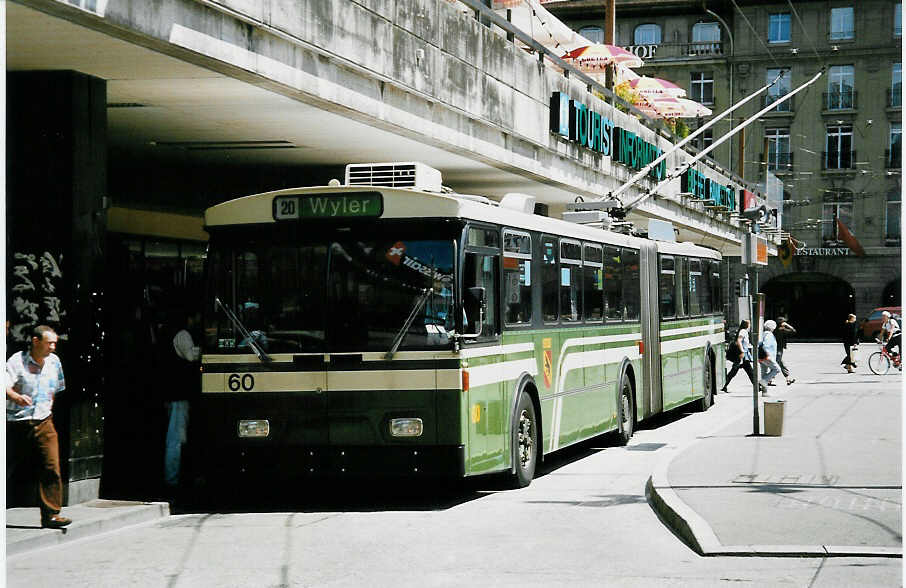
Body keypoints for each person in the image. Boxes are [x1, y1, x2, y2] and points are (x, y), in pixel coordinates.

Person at [6, 325, 71, 528]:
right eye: (49, 343)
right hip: (16, 422)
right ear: (35, 341)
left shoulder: (54, 362)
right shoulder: (17, 360)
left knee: (51, 466)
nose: (52, 347)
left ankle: (51, 514)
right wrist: (15, 396)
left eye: (55, 343)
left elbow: (58, 388)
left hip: (44, 420)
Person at [164, 311, 200, 494]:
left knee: (177, 438)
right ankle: (172, 479)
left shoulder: (174, 334)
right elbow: (191, 356)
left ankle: (175, 477)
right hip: (179, 395)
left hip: (176, 395)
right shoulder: (183, 335)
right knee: (176, 439)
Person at [721, 319, 755, 391]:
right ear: (746, 325)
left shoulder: (744, 331)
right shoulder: (743, 331)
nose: (750, 325)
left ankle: (757, 386)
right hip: (741, 355)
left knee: (747, 371)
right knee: (746, 371)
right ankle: (757, 386)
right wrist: (742, 352)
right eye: (749, 324)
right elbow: (739, 341)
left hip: (743, 355)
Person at [770, 317, 796, 386]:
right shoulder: (781, 330)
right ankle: (769, 379)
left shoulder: (775, 329)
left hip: (776, 348)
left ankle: (788, 379)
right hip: (778, 349)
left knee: (781, 364)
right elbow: (793, 331)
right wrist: (787, 325)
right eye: (784, 322)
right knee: (776, 364)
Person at [758, 320, 782, 395]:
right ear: (773, 327)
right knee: (777, 369)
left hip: (761, 357)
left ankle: (764, 392)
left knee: (764, 373)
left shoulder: (763, 334)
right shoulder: (769, 335)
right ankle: (763, 382)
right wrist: (767, 355)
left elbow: (759, 344)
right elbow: (766, 346)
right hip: (767, 357)